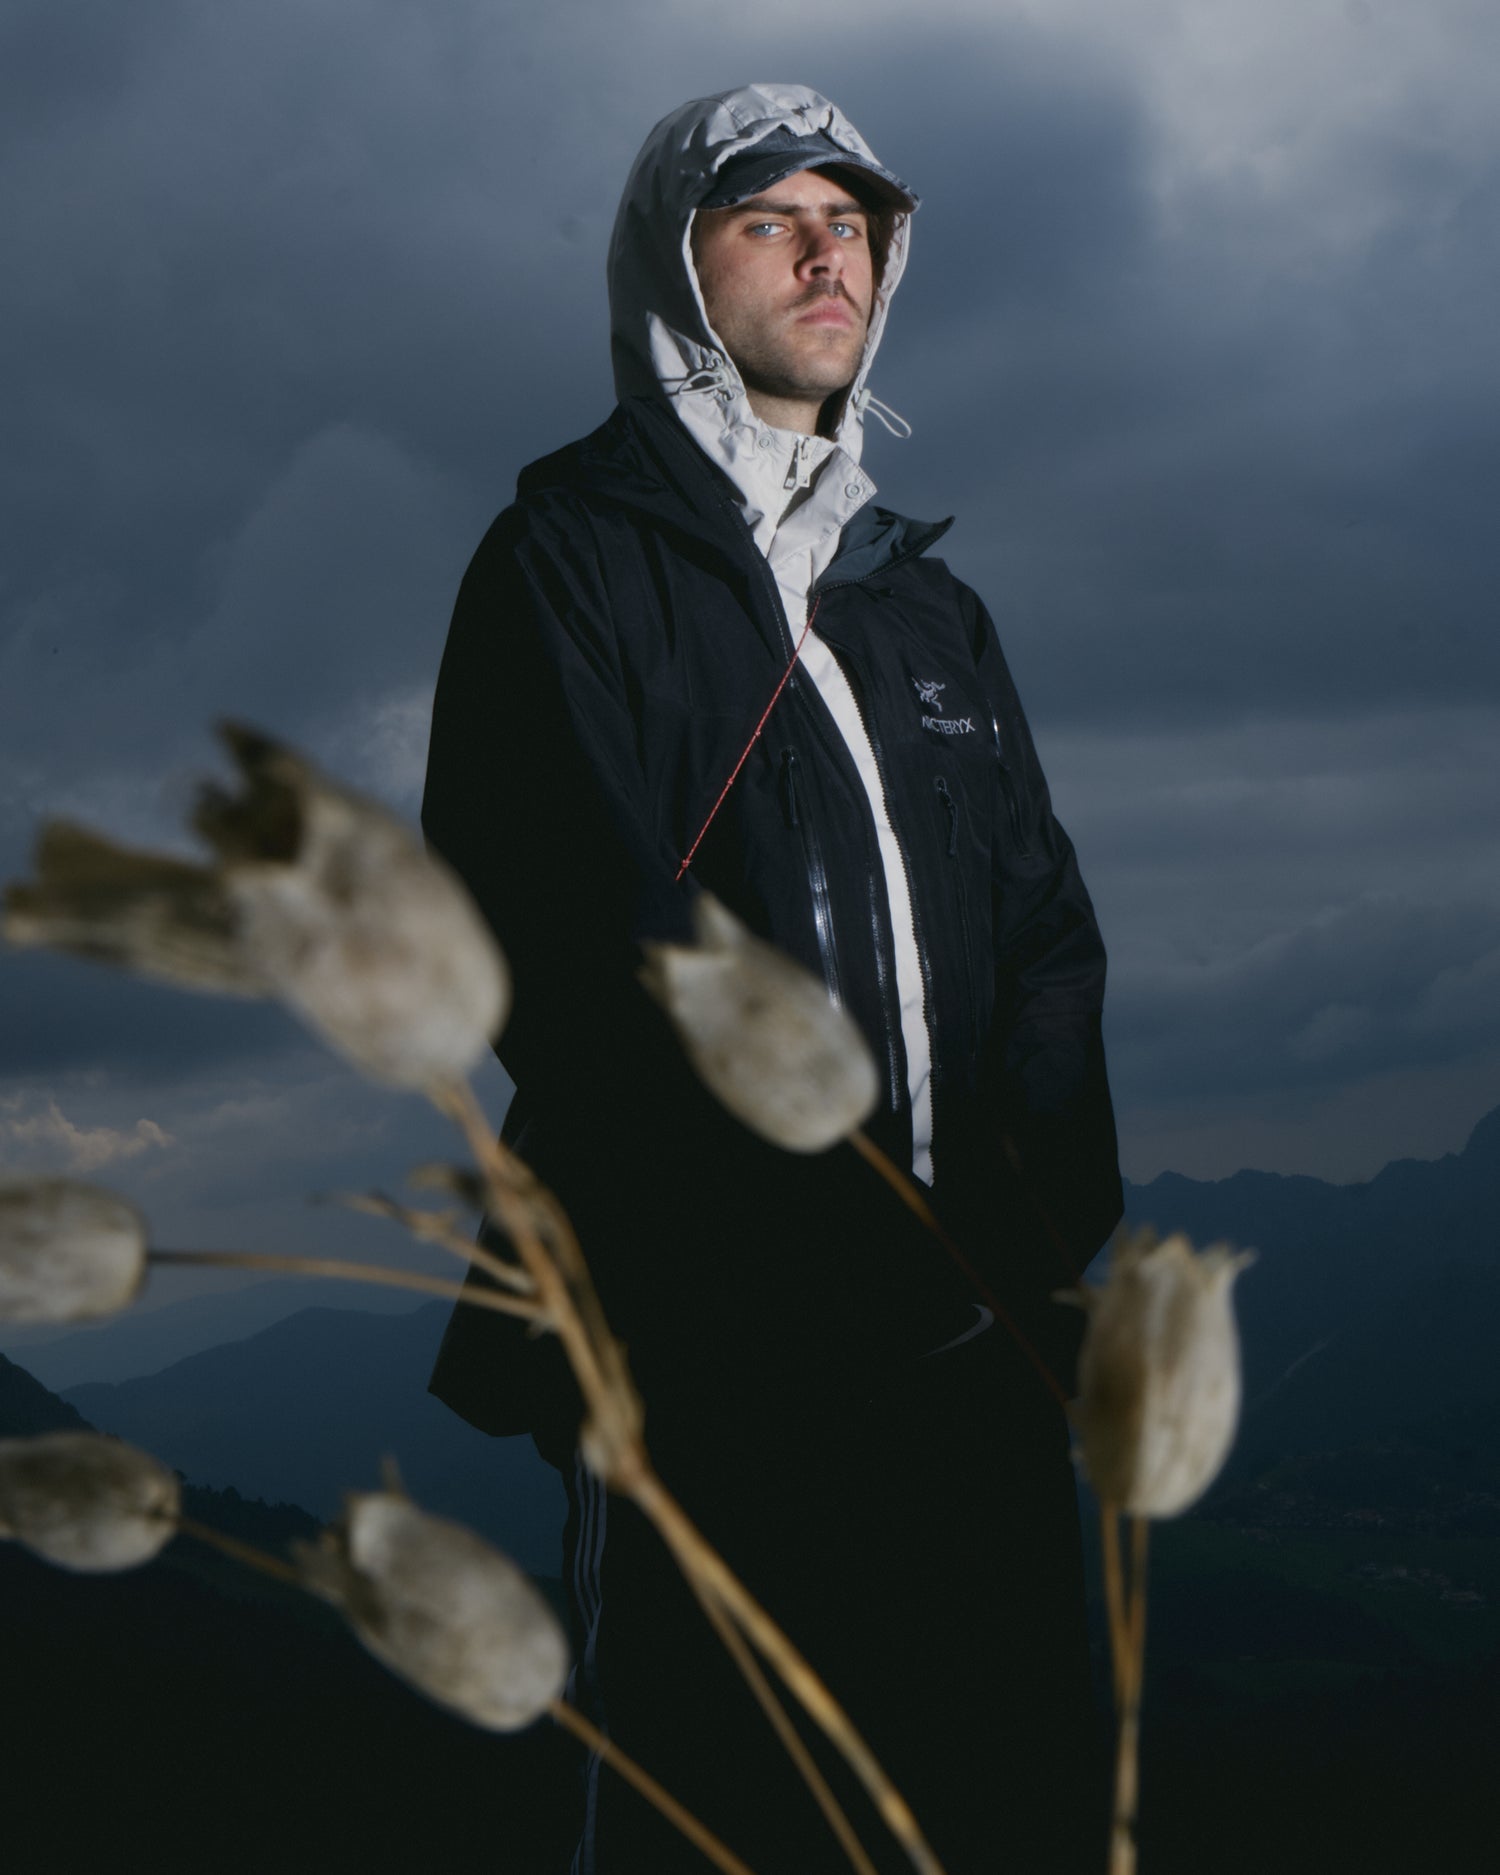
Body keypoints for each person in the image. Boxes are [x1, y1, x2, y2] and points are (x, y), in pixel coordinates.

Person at [423, 83, 1122, 1874]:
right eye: (769, 220)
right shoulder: (567, 561)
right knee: (722, 1815)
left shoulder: (920, 604)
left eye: (855, 223)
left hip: (973, 1354)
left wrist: (1027, 1247)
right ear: (676, 264)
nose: (829, 256)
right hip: (715, 1361)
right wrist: (802, 1258)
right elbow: (565, 939)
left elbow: (1046, 938)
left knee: (1002, 1810)